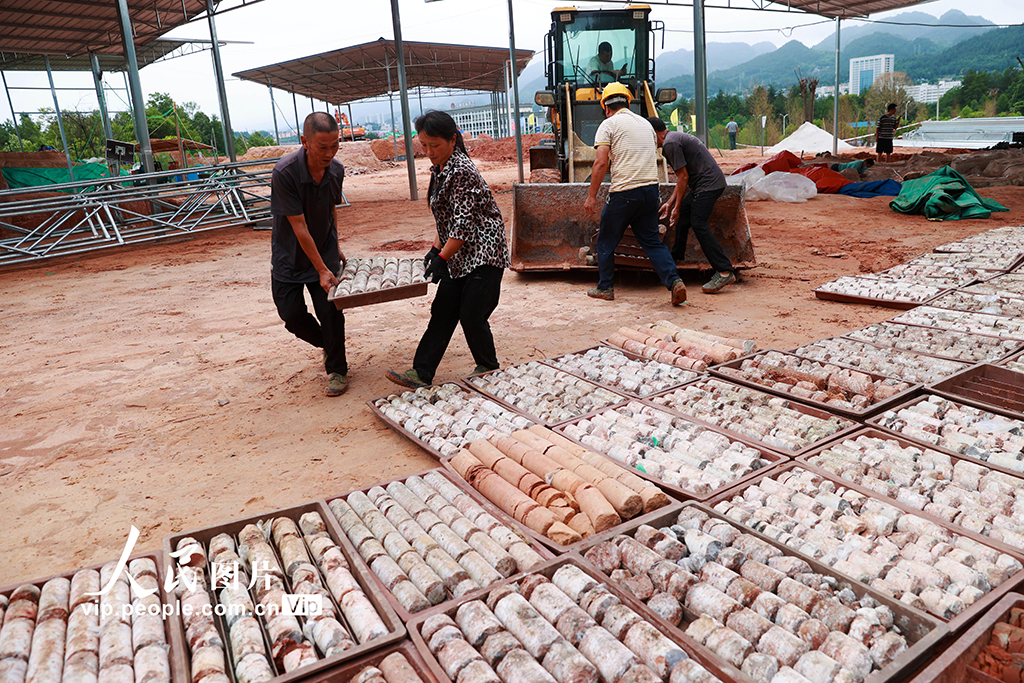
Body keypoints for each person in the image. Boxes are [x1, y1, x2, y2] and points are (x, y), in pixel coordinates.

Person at [386, 110, 510, 389]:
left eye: (435, 146)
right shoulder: (441, 169)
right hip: (458, 253)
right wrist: (435, 249)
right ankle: (421, 372)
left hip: (484, 253)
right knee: (442, 310)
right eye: (424, 145)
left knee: (471, 314)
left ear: (453, 140)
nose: (429, 152)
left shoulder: (462, 171)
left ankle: (488, 366)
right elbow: (447, 218)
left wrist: (442, 258)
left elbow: (463, 226)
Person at [584, 83, 687, 306]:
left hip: (624, 193)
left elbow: (601, 163)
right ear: (628, 102)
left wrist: (591, 196)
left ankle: (605, 287)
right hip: (651, 191)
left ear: (606, 107)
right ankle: (675, 281)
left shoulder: (608, 125)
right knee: (651, 242)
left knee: (606, 241)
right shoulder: (646, 124)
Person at [270, 112, 349, 397]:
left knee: (330, 312)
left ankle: (338, 370)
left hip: (324, 250)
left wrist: (335, 246)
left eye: (335, 145)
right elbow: (299, 226)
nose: (330, 153)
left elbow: (330, 210)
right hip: (290, 255)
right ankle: (328, 345)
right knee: (291, 315)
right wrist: (321, 270)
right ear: (305, 141)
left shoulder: (336, 170)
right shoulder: (285, 173)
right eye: (322, 147)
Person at [647, 116, 737, 294]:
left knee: (698, 223)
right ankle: (677, 258)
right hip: (705, 184)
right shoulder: (674, 138)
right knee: (684, 218)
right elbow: (683, 179)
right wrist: (670, 203)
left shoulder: (670, 145)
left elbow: (683, 177)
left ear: (654, 133)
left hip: (708, 185)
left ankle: (724, 270)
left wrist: (677, 208)